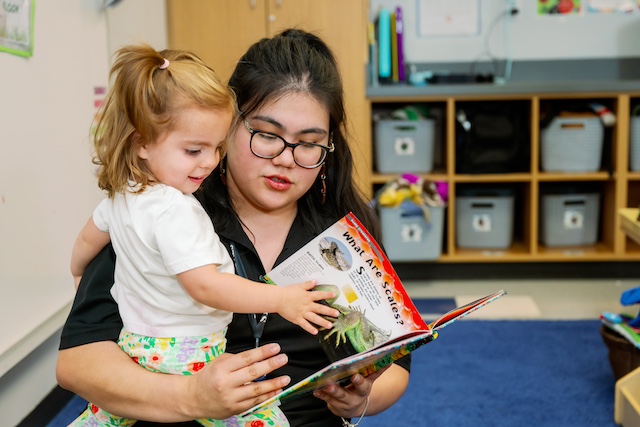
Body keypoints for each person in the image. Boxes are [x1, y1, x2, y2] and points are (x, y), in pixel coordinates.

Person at [57, 29, 411, 427]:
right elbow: (77, 363)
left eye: (309, 143)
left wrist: (360, 398)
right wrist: (190, 398)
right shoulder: (167, 210)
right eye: (267, 135)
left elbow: (395, 362)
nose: (285, 159)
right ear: (229, 123)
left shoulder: (342, 231)